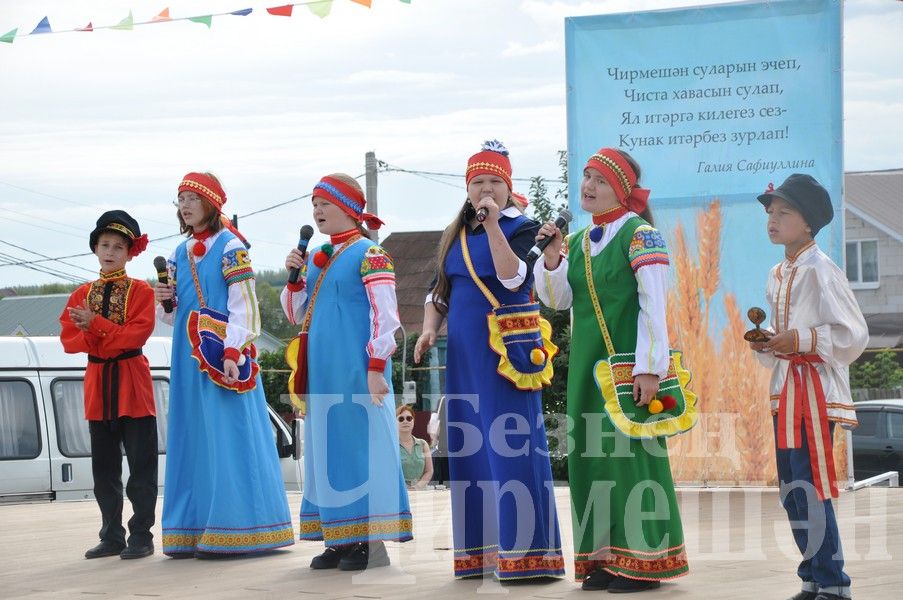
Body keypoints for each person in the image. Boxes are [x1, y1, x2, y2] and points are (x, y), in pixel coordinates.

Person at [533, 147, 688, 592]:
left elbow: (654, 305)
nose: (588, 186)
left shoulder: (641, 236)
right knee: (590, 460)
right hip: (587, 368)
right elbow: (558, 299)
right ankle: (602, 559)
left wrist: (650, 368)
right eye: (586, 177)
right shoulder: (580, 240)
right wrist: (552, 255)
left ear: (620, 189)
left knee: (629, 460)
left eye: (599, 180)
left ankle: (642, 562)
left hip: (627, 366)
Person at [414, 140, 565, 581]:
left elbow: (513, 276)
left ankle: (528, 556)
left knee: (510, 445)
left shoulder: (524, 227)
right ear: (465, 186)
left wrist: (494, 223)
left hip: (507, 351)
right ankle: (482, 555)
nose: (485, 189)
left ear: (508, 186)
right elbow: (437, 290)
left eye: (494, 182)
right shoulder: (454, 234)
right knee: (471, 448)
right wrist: (428, 329)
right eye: (477, 181)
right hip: (462, 354)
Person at [154, 172, 294, 558]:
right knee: (193, 436)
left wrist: (232, 351)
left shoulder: (232, 247)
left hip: (222, 354)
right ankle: (193, 528)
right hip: (189, 353)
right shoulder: (179, 253)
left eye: (191, 199)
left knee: (227, 436)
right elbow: (174, 315)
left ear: (211, 204)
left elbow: (244, 306)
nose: (184, 206)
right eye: (179, 199)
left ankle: (238, 528)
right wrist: (165, 299)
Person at [282, 173, 412, 571]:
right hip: (324, 373)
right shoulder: (321, 256)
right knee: (326, 450)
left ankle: (368, 542)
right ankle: (338, 538)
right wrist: (294, 277)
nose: (318, 211)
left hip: (357, 371)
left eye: (325, 204)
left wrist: (376, 367)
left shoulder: (370, 254)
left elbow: (386, 316)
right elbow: (297, 315)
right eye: (314, 206)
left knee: (360, 448)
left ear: (349, 209)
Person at [750, 174, 868, 600]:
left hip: (815, 392)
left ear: (809, 223)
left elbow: (853, 334)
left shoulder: (822, 270)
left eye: (784, 212)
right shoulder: (777, 272)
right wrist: (768, 343)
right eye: (770, 212)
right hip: (786, 391)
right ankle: (813, 577)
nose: (773, 219)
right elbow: (781, 342)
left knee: (812, 486)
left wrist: (800, 340)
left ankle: (835, 583)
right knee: (791, 490)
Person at [59, 210, 158, 560]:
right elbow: (69, 340)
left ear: (130, 253)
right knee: (104, 469)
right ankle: (111, 535)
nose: (111, 251)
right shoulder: (81, 293)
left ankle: (142, 536)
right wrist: (98, 333)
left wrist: (95, 326)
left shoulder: (142, 291)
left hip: (132, 382)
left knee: (141, 468)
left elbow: (136, 335)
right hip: (99, 385)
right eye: (105, 245)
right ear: (95, 249)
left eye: (118, 246)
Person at [397, 404, 433, 489]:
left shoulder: (423, 444)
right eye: (401, 419)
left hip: (421, 494)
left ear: (413, 421)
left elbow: (429, 471)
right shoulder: (392, 446)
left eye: (409, 418)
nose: (405, 421)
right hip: (400, 493)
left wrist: (416, 487)